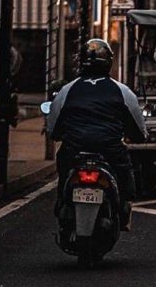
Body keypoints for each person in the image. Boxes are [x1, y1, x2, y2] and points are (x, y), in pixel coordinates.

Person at [46, 39, 147, 229]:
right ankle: (123, 210)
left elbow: (53, 127)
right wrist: (139, 136)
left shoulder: (67, 90)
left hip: (74, 148)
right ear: (109, 62)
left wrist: (58, 135)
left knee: (64, 169)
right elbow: (138, 127)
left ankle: (62, 201)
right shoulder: (122, 91)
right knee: (125, 177)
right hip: (109, 149)